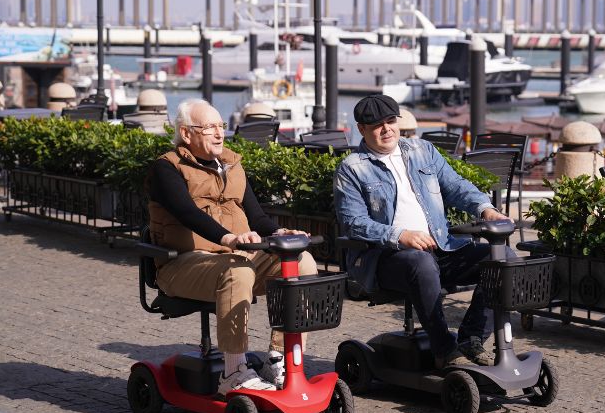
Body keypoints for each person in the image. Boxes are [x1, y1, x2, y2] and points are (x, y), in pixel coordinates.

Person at [145, 98, 317, 395]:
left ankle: (280, 358)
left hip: (237, 257)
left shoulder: (232, 164)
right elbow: (188, 213)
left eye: (221, 126)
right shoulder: (166, 167)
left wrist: (279, 231)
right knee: (237, 271)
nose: (219, 133)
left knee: (301, 262)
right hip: (182, 263)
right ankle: (234, 371)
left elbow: (257, 216)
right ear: (186, 134)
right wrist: (229, 238)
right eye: (209, 127)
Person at [334, 94, 513, 369]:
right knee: (421, 263)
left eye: (391, 121)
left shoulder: (422, 150)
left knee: (503, 259)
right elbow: (353, 222)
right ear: (361, 129)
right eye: (377, 125)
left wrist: (485, 208)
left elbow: (456, 185)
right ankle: (445, 350)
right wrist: (400, 235)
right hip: (385, 259)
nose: (387, 129)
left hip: (440, 247)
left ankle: (471, 339)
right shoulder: (351, 168)